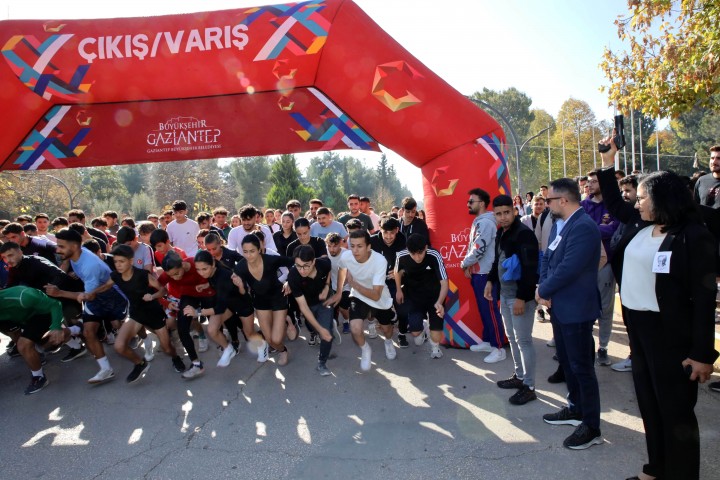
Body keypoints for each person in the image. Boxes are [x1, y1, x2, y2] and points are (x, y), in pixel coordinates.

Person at [599, 137, 718, 479]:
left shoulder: (693, 235)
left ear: (662, 199)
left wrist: (702, 354)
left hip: (671, 335)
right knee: (650, 405)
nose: (635, 203)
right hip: (639, 329)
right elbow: (614, 201)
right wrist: (608, 162)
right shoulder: (641, 224)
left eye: (641, 198)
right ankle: (655, 469)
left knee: (676, 412)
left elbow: (704, 300)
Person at [536, 178, 603, 450]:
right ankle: (575, 408)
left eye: (549, 200)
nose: (546, 204)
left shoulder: (584, 227)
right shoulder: (560, 223)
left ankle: (592, 426)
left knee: (582, 368)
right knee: (567, 362)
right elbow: (547, 257)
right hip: (559, 306)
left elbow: (569, 268)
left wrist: (544, 290)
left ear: (563, 200)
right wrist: (543, 286)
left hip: (576, 309)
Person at [82, 245, 186, 382]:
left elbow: (163, 290)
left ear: (131, 261)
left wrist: (152, 296)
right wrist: (91, 293)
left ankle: (176, 358)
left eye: (122, 261)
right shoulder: (115, 275)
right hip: (136, 314)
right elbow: (106, 286)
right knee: (119, 346)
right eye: (116, 261)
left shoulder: (143, 275)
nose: (118, 265)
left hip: (153, 313)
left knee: (167, 348)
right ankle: (140, 364)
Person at [45, 228, 129, 384]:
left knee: (120, 325)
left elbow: (89, 296)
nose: (57, 250)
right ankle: (106, 369)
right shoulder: (75, 254)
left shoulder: (90, 265)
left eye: (61, 246)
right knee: (89, 332)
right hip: (94, 294)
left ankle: (144, 337)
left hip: (112, 296)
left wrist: (59, 293)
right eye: (58, 245)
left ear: (74, 246)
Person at [485, 195, 540, 405]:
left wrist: (522, 298)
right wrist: (490, 281)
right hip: (505, 294)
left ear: (514, 211)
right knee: (512, 337)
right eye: (498, 214)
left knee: (524, 340)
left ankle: (530, 386)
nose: (503, 217)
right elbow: (497, 261)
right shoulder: (501, 232)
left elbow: (530, 270)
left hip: (519, 297)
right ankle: (519, 376)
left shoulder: (524, 234)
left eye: (506, 212)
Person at [326, 230, 397, 371]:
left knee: (387, 329)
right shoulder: (346, 256)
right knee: (355, 328)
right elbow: (342, 269)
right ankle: (365, 349)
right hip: (358, 296)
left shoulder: (380, 261)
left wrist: (354, 284)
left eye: (359, 246)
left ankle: (388, 342)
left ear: (368, 247)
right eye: (352, 246)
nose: (355, 250)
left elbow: (376, 295)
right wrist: (339, 292)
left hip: (379, 298)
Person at [233, 235, 295, 365]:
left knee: (276, 339)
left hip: (278, 298)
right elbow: (243, 293)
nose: (248, 255)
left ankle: (285, 323)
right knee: (269, 340)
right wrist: (240, 286)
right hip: (261, 302)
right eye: (245, 252)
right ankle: (283, 350)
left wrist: (289, 281)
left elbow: (294, 262)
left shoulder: (270, 260)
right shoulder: (240, 267)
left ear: (259, 249)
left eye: (252, 251)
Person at [461, 188, 506, 363]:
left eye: (471, 201)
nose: (468, 204)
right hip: (479, 273)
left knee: (491, 311)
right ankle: (488, 341)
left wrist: (465, 263)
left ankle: (498, 348)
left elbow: (479, 248)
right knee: (484, 310)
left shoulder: (486, 223)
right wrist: (469, 266)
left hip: (486, 274)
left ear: (481, 204)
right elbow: (474, 246)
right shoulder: (481, 221)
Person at [189, 251, 255, 367]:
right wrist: (206, 285)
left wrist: (197, 312)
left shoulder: (223, 276)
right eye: (198, 269)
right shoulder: (213, 272)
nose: (201, 273)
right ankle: (228, 349)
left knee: (249, 334)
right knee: (212, 329)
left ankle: (263, 346)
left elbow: (219, 308)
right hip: (228, 306)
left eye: (204, 269)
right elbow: (215, 283)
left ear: (213, 264)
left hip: (242, 305)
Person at [581, 170, 620, 366]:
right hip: (584, 264)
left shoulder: (614, 205)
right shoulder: (582, 206)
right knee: (584, 306)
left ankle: (603, 347)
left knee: (605, 308)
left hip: (606, 264)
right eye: (589, 182)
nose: (590, 185)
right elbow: (578, 228)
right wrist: (600, 229)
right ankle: (584, 345)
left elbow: (614, 229)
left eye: (595, 181)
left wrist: (591, 229)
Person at [158, 251, 215, 379]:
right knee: (182, 328)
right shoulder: (169, 272)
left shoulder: (195, 263)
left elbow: (216, 275)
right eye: (171, 276)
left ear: (183, 265)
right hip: (189, 297)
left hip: (208, 294)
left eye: (177, 273)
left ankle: (232, 341)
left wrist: (208, 285)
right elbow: (154, 289)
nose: (174, 278)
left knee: (217, 326)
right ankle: (196, 364)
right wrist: (166, 303)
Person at [0, 286, 67, 394]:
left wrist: (56, 326)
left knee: (25, 345)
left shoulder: (23, 295)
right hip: (23, 319)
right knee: (24, 343)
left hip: (43, 313)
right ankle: (74, 332)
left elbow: (55, 304)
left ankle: (39, 377)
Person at [394, 234, 448, 359]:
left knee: (436, 336)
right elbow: (397, 272)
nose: (417, 257)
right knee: (416, 336)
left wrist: (440, 302)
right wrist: (399, 290)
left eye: (420, 253)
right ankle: (423, 327)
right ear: (408, 250)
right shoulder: (401, 255)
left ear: (426, 247)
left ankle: (435, 347)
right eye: (413, 254)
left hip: (434, 296)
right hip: (414, 296)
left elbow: (445, 283)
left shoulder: (434, 254)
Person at [287, 245, 336, 376]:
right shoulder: (293, 276)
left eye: (306, 266)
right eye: (298, 266)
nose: (302, 270)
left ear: (313, 261)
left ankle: (322, 362)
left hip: (325, 301)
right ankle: (316, 331)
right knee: (312, 326)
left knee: (326, 333)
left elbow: (329, 270)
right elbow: (303, 307)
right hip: (308, 305)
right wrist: (319, 329)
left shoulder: (324, 263)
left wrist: (327, 286)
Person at [370, 217, 407, 345]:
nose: (388, 236)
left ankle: (402, 334)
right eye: (385, 232)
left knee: (402, 309)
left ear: (397, 230)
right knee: (375, 309)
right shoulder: (372, 240)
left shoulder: (403, 240)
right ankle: (389, 317)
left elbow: (410, 262)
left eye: (392, 233)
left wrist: (401, 271)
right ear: (380, 229)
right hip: (378, 281)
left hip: (396, 281)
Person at [325, 232, 351, 334]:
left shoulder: (346, 254)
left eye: (335, 246)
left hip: (346, 285)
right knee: (329, 307)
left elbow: (349, 274)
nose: (331, 249)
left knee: (343, 308)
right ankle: (333, 322)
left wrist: (339, 290)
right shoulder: (325, 253)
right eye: (329, 246)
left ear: (340, 244)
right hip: (331, 285)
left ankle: (346, 321)